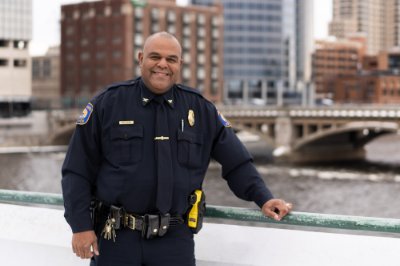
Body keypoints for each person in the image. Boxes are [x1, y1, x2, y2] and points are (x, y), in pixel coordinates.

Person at [62, 31, 292, 266]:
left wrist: (263, 198)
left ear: (179, 64)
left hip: (174, 240)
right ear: (141, 59)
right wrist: (80, 226)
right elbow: (77, 170)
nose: (162, 64)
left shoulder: (201, 110)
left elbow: (237, 163)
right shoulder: (108, 104)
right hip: (115, 239)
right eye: (155, 57)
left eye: (171, 59)